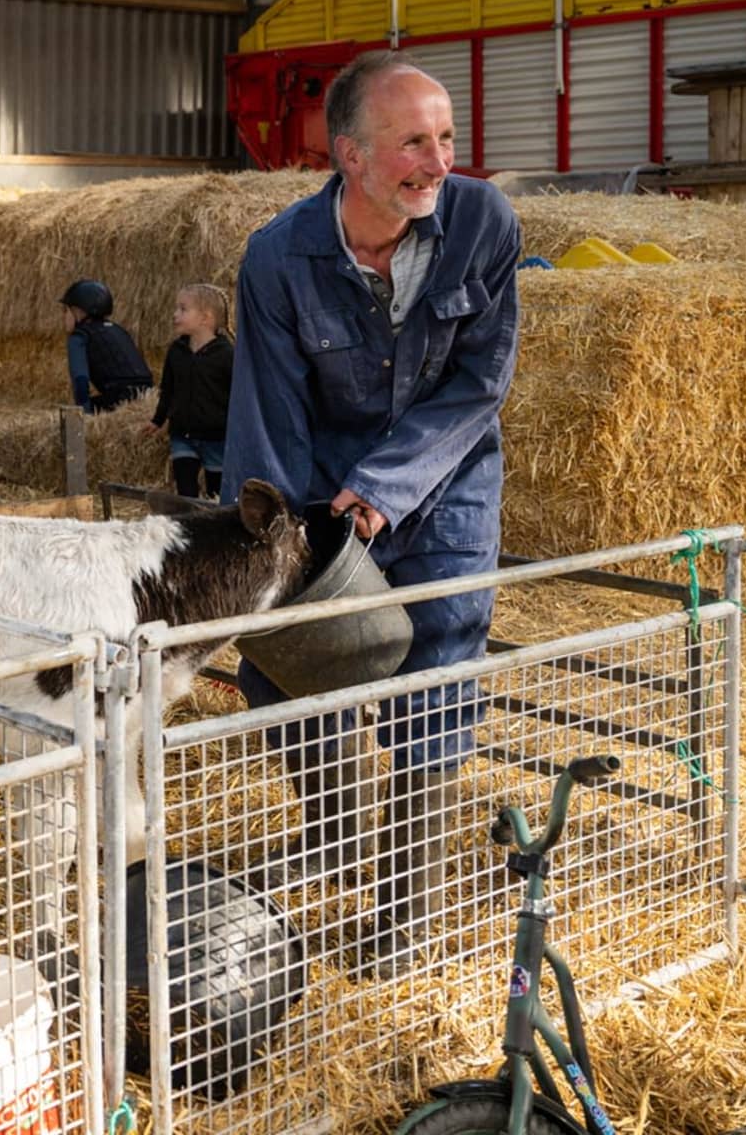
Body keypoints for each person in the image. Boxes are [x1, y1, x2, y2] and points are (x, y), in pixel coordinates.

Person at [221, 49, 522, 975]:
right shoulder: (279, 256)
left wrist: (386, 492)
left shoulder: (483, 223)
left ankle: (409, 900)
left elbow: (481, 382)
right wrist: (282, 543)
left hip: (445, 483)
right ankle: (341, 834)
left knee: (438, 661)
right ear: (349, 155)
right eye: (413, 144)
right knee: (290, 663)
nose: (438, 163)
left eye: (445, 140)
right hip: (323, 487)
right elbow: (268, 407)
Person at [142, 283, 233, 499]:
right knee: (185, 492)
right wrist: (157, 420)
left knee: (215, 493)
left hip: (216, 436)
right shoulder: (176, 351)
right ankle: (187, 528)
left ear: (205, 318)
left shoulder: (227, 355)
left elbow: (237, 397)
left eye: (183, 309)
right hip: (182, 434)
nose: (175, 314)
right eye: (177, 308)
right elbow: (168, 389)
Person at [60, 279, 153, 414]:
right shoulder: (118, 330)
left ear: (78, 311)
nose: (63, 316)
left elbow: (80, 379)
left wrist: (84, 414)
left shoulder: (79, 337)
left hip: (119, 399)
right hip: (148, 398)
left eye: (65, 310)